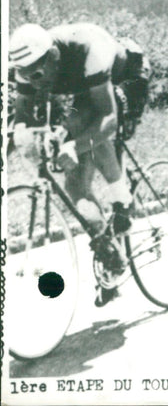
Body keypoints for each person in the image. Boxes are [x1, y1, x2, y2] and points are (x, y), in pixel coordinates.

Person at [9, 22, 151, 307]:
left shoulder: (89, 51)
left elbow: (107, 118)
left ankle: (122, 199)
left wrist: (75, 145)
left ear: (53, 56)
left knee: (89, 131)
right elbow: (21, 117)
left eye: (38, 75)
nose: (35, 84)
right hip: (84, 91)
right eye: (26, 78)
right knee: (74, 176)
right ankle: (109, 253)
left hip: (127, 78)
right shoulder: (30, 65)